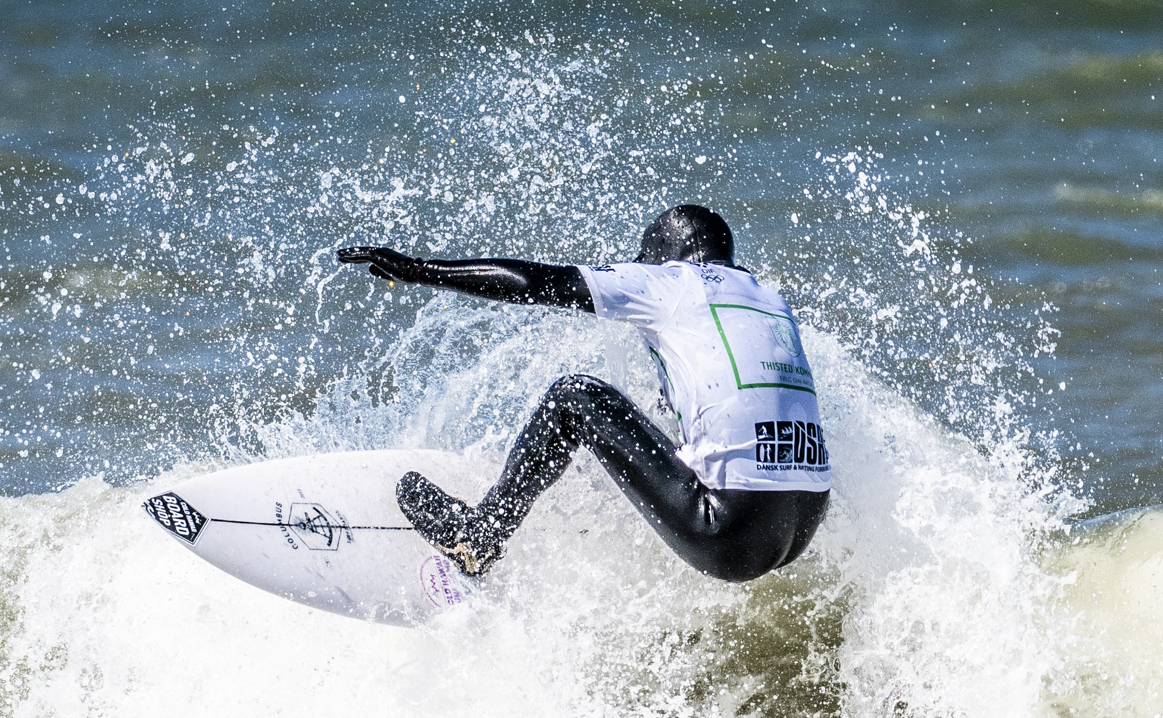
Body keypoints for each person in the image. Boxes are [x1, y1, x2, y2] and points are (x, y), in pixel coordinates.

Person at [334, 204, 831, 583]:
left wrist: (419, 270)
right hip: (803, 523)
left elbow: (535, 282)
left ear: (660, 258)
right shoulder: (769, 299)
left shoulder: (671, 281)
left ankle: (480, 536)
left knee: (574, 398)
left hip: (728, 532)